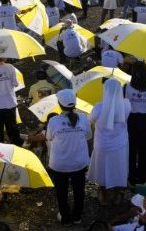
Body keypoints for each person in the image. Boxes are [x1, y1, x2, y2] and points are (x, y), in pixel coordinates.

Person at [47, 89, 92, 226]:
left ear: (60, 105)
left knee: (62, 192)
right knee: (79, 190)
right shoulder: (83, 118)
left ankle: (66, 218)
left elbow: (49, 137)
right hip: (79, 163)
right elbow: (89, 136)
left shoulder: (54, 120)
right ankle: (77, 216)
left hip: (59, 165)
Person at [88, 78, 131, 205]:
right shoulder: (126, 104)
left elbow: (90, 120)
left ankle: (104, 195)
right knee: (119, 167)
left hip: (102, 143)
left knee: (102, 168)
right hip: (120, 142)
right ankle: (118, 194)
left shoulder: (99, 107)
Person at [124, 61, 146, 185]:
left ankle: (131, 177)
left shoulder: (127, 86)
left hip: (131, 120)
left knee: (131, 150)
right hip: (145, 120)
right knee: (143, 151)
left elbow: (124, 102)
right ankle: (142, 178)